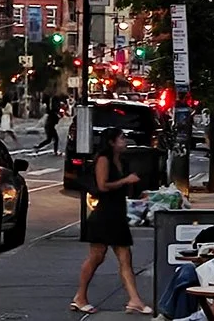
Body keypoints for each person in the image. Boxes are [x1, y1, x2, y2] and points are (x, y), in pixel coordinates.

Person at [71, 128, 151, 315]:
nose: (125, 140)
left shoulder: (121, 161)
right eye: (122, 138)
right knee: (97, 256)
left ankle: (134, 299)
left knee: (124, 257)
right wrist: (125, 181)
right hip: (104, 214)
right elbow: (102, 186)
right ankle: (80, 297)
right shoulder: (103, 160)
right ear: (111, 142)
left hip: (116, 213)